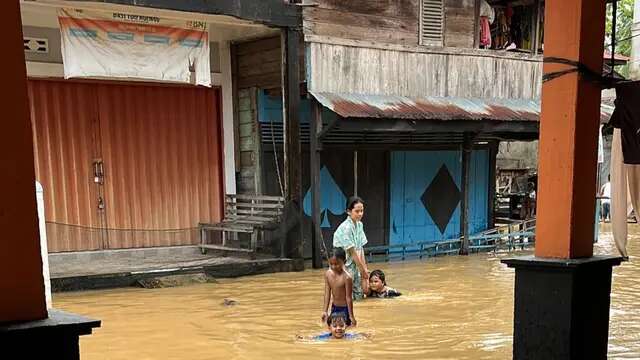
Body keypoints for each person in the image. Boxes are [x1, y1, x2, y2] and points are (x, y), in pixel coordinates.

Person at [333, 196, 369, 300]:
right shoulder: (346, 228)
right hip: (344, 266)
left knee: (359, 296)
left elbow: (360, 248)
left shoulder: (359, 225)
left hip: (355, 265)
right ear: (349, 211)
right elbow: (352, 251)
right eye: (357, 211)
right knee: (346, 298)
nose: (360, 214)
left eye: (362, 211)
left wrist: (364, 269)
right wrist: (362, 270)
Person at [322, 248, 356, 328]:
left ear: (344, 262)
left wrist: (351, 316)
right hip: (334, 308)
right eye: (331, 264)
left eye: (336, 264)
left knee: (345, 330)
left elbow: (349, 298)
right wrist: (325, 311)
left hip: (345, 309)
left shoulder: (347, 277)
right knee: (331, 329)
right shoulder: (328, 274)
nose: (333, 267)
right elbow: (327, 294)